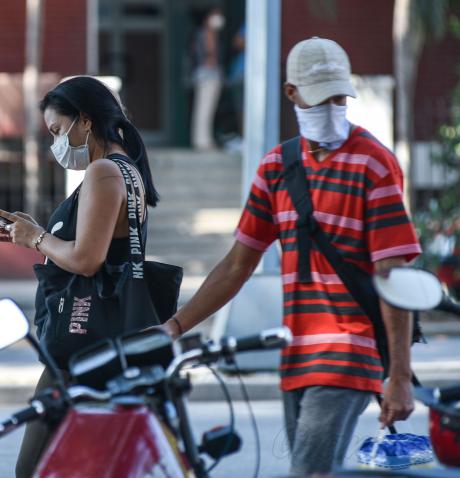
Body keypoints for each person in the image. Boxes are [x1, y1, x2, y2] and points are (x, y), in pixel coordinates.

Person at [161, 37, 422, 475]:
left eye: (340, 97)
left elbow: (393, 276)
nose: (333, 107)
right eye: (322, 98)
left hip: (349, 351)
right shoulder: (276, 167)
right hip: (295, 351)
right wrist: (174, 327)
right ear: (292, 94)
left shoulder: (374, 164)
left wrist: (398, 374)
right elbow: (237, 265)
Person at [0, 76, 159, 478]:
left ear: (83, 120)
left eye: (56, 131)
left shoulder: (103, 172)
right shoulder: (126, 170)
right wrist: (38, 234)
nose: (55, 145)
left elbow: (87, 259)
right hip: (108, 340)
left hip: (81, 343)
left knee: (34, 468)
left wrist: (37, 239)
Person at [191, 6, 225, 150]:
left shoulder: (208, 34)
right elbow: (209, 54)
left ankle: (203, 139)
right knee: (204, 108)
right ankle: (202, 141)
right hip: (207, 74)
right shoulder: (205, 34)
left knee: (206, 108)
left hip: (207, 74)